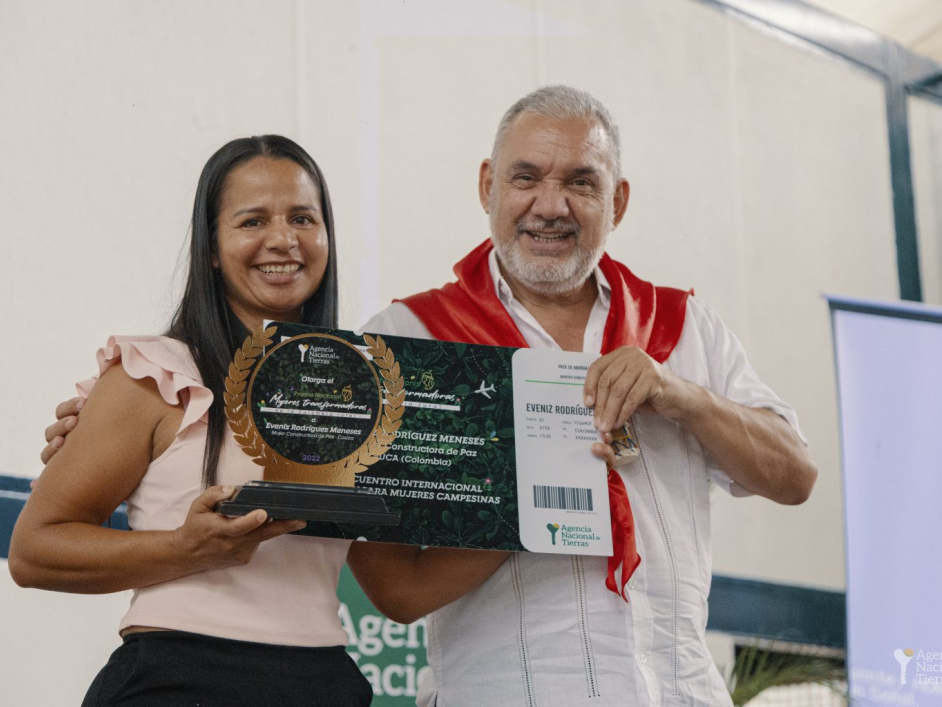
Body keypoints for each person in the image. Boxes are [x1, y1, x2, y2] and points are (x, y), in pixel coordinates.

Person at [40, 87, 818, 706]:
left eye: (581, 180)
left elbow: (795, 475)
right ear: (488, 185)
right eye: (527, 176)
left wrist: (678, 399)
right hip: (465, 688)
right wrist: (132, 460)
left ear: (617, 200)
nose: (552, 203)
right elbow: (396, 588)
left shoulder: (684, 327)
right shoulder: (403, 344)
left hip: (662, 686)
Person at [12, 135, 506, 707]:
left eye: (303, 218)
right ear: (212, 248)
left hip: (324, 682)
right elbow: (34, 550)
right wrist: (185, 548)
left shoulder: (359, 398)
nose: (283, 240)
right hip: (180, 676)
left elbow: (403, 591)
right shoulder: (157, 375)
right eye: (252, 221)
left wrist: (526, 515)